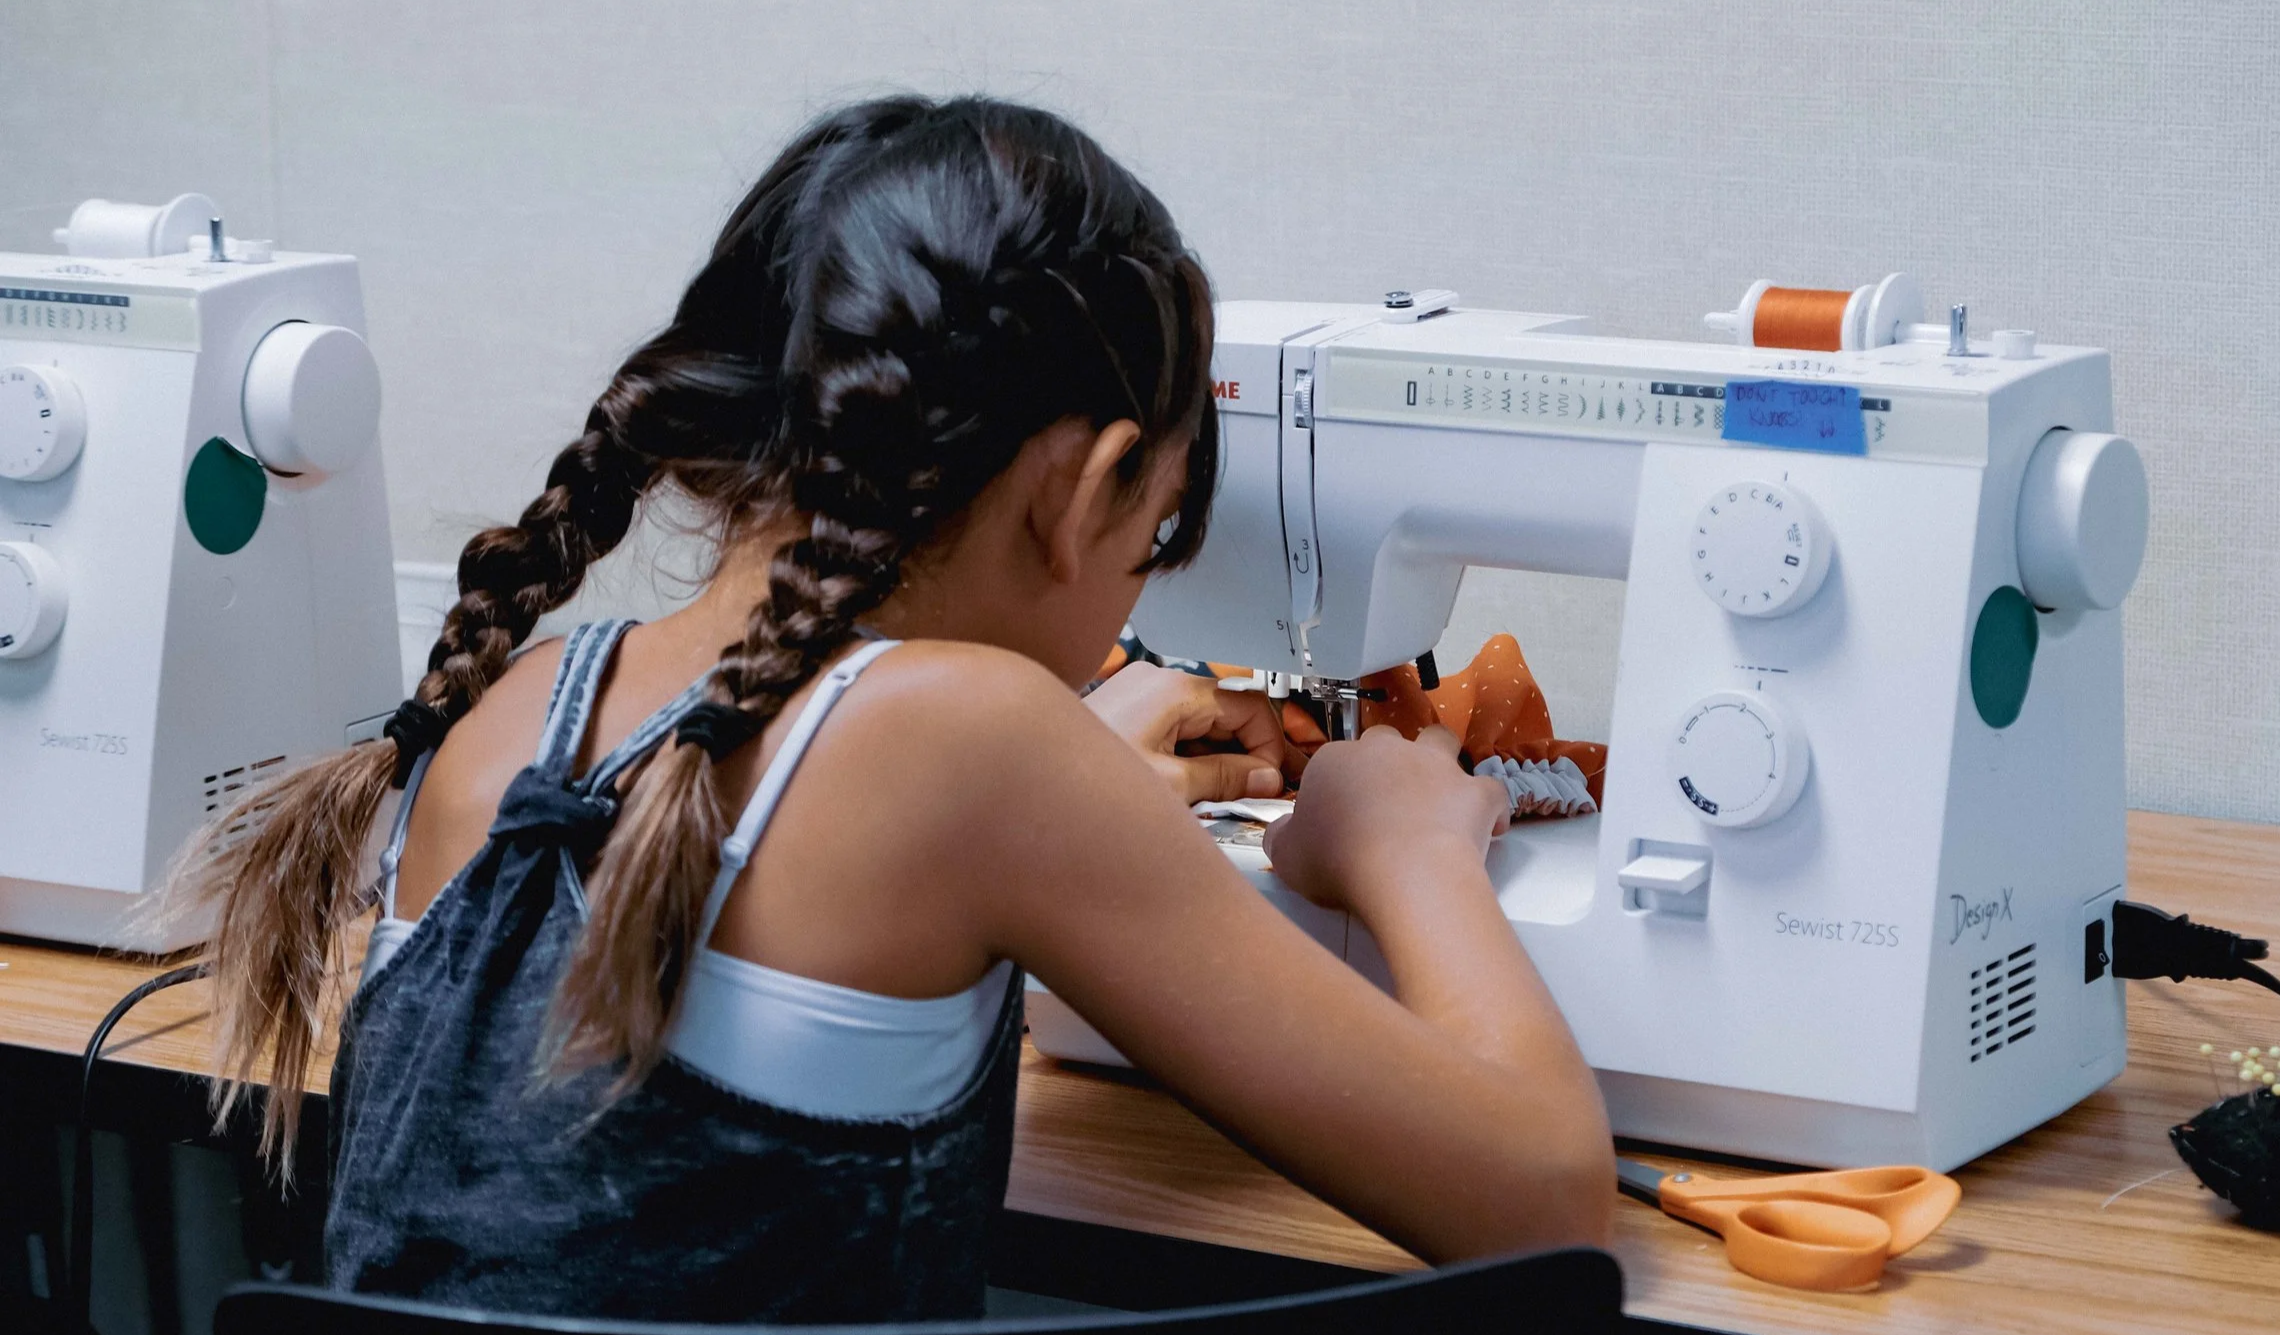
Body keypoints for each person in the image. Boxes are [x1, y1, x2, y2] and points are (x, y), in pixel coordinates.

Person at [170, 95, 1612, 1323]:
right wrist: (1406, 843)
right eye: (1148, 539)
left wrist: (1086, 792)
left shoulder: (513, 711)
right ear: (1082, 486)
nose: (1131, 604)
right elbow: (1543, 1201)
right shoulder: (985, 748)